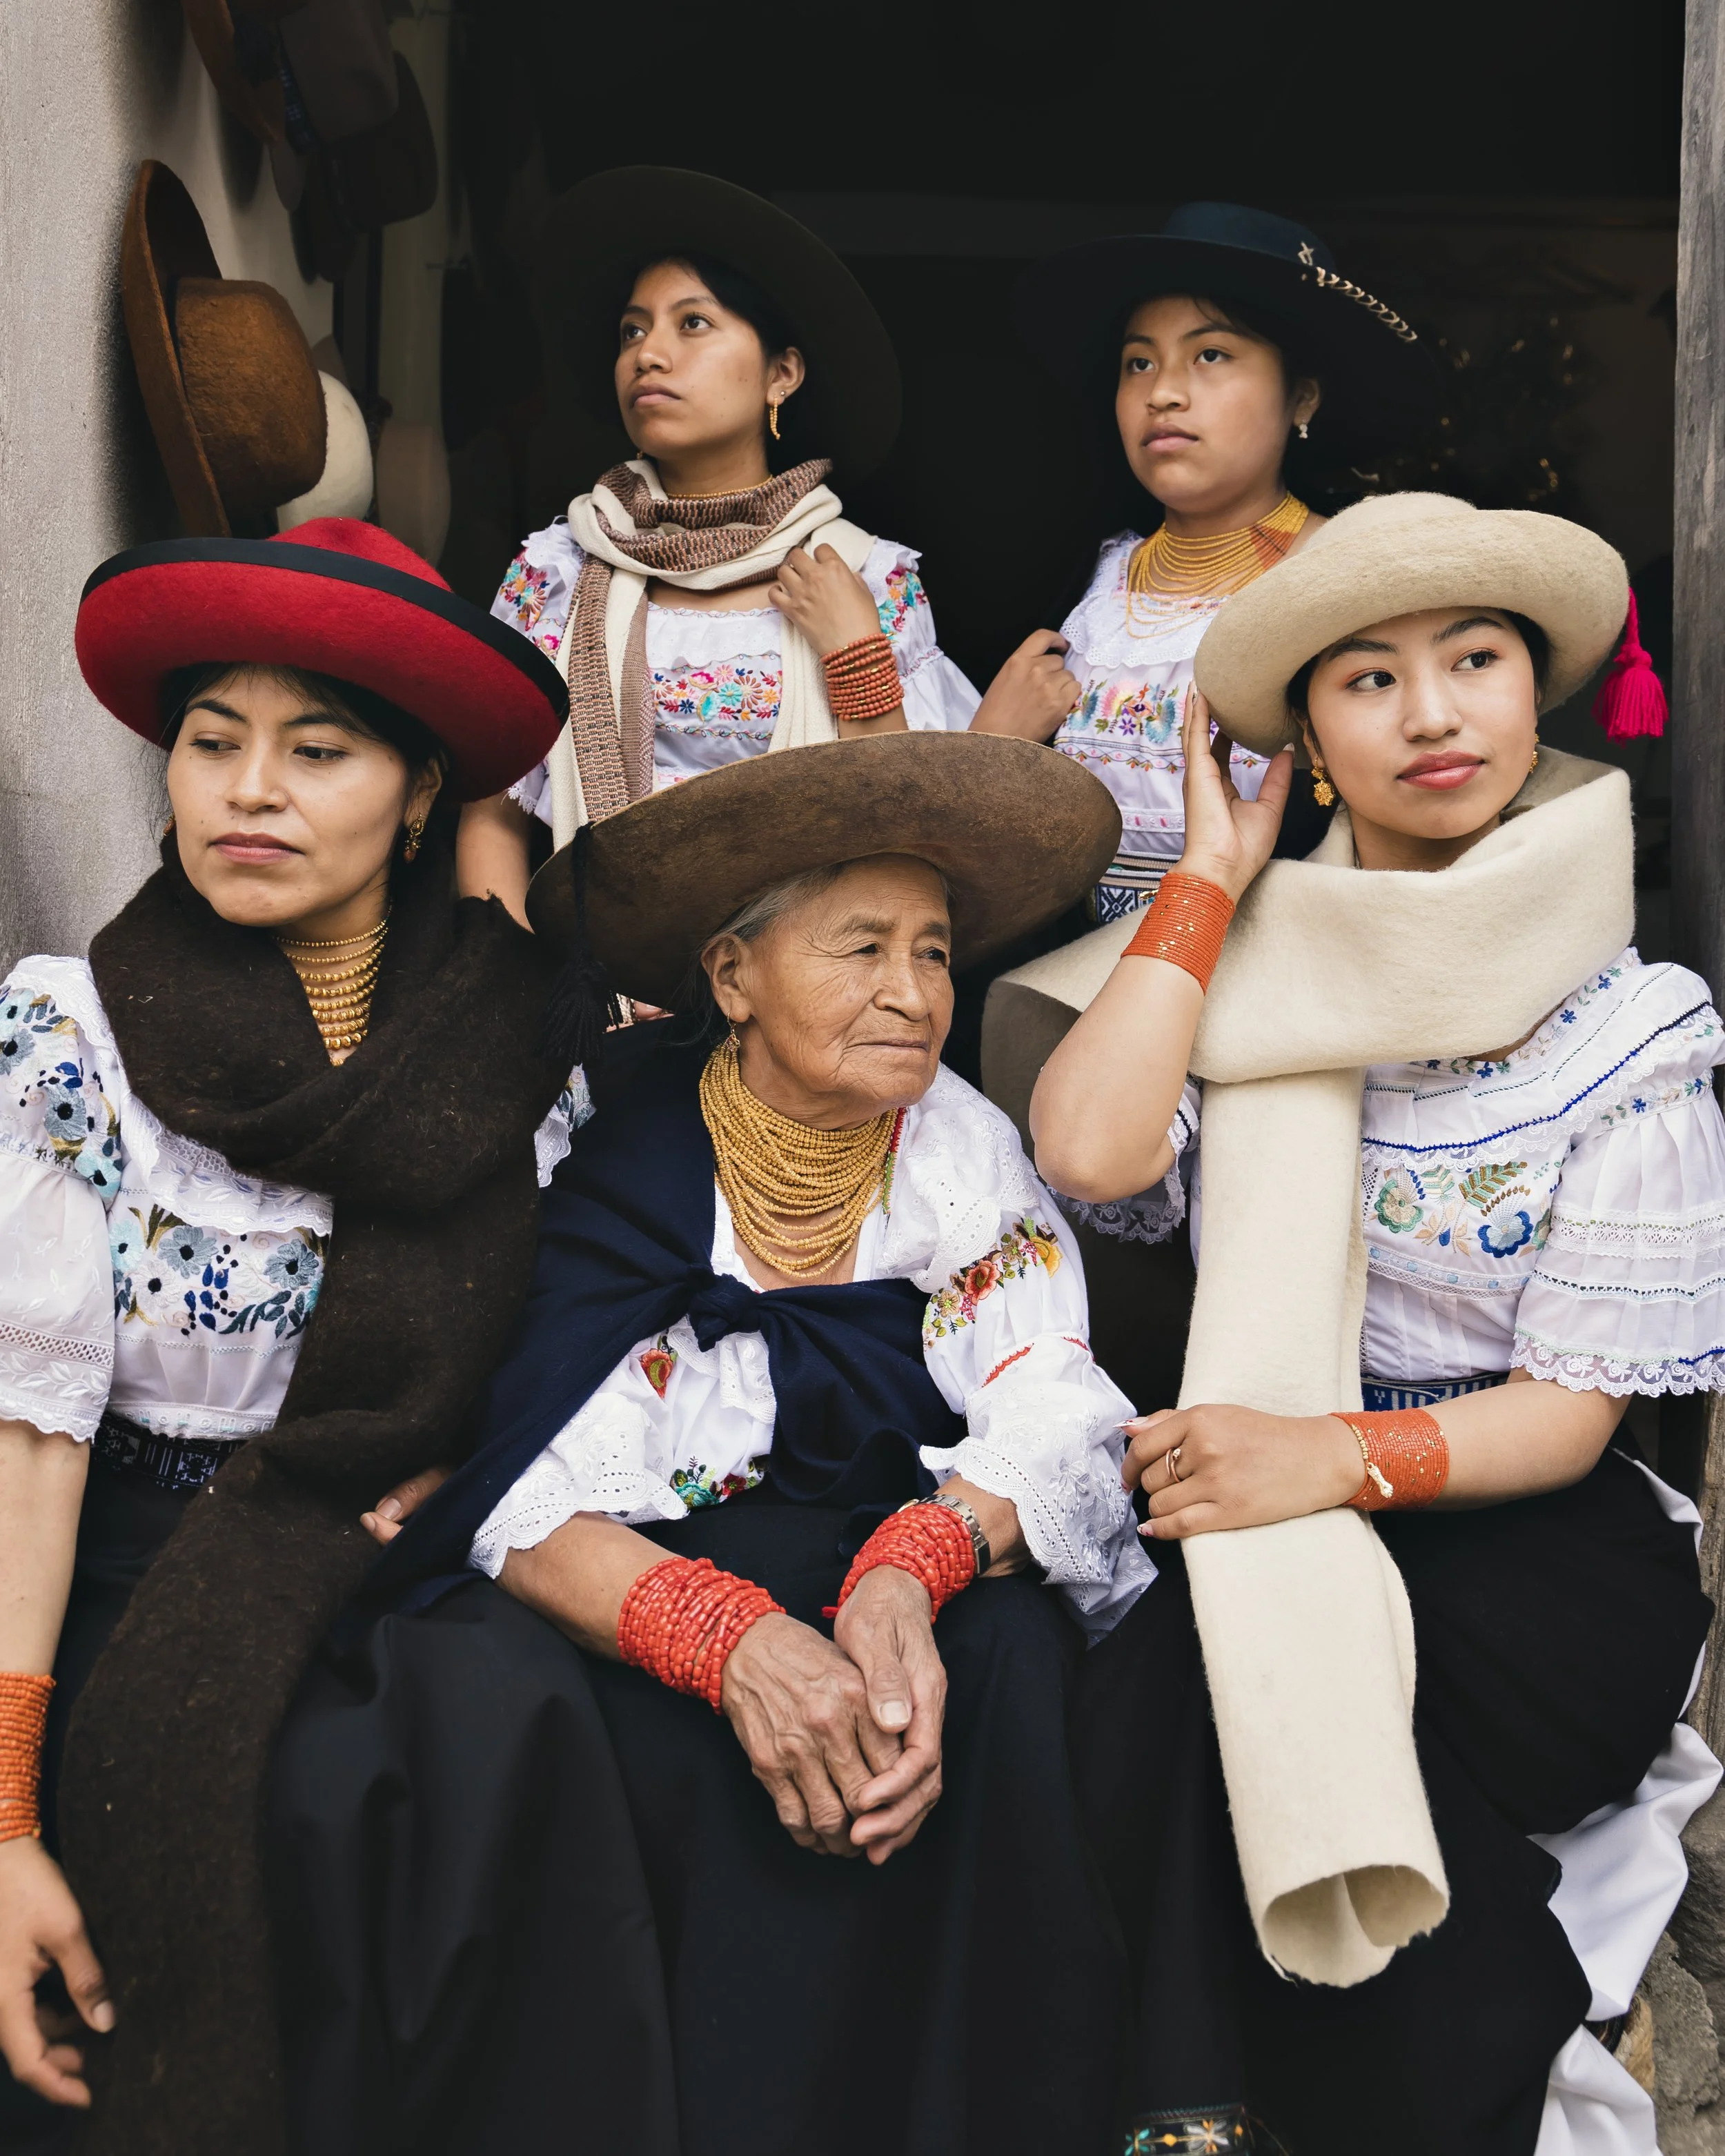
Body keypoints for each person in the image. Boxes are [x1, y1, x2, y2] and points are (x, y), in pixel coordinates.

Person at [267, 732, 1153, 2156]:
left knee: (1011, 1665)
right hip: (651, 1571)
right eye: (860, 943)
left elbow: (1053, 1392)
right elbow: (521, 1467)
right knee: (631, 1733)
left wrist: (901, 1576)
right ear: (731, 977)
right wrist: (727, 1639)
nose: (912, 991)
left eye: (931, 951)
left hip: (883, 1556)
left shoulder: (957, 1150)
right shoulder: (606, 1144)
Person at [1018, 491, 1720, 2155]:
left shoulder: (1630, 1028)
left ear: (1532, 692)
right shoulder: (1244, 964)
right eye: (1368, 678)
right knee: (1146, 1675)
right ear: (1311, 737)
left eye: (1472, 659)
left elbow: (1563, 1422)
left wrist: (1314, 1461)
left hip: (1529, 1539)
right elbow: (1092, 1146)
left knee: (1219, 1661)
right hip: (1274, 1476)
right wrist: (1206, 879)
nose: (1428, 711)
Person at [0, 518, 573, 2152]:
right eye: (212, 740)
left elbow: (546, 1343)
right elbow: (30, 1439)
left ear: (413, 801)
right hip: (115, 1561)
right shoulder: (77, 1033)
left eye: (317, 749)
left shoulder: (508, 1045)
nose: (248, 789)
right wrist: (0, 1809)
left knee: (507, 1759)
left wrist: (453, 1473)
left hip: (397, 1555)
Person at [459, 165, 984, 926]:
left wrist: (855, 651)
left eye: (692, 324)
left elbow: (911, 836)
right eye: (631, 330)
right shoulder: (560, 570)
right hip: (592, 1002)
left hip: (808, 995)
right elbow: (491, 814)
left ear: (782, 374)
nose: (649, 353)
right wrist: (505, 1001)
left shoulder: (865, 574)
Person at [980, 199, 1439, 924]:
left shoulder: (1359, 576)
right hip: (1079, 1001)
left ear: (1302, 397)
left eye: (1210, 354)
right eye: (1138, 363)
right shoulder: (1084, 587)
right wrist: (991, 749)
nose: (1161, 392)